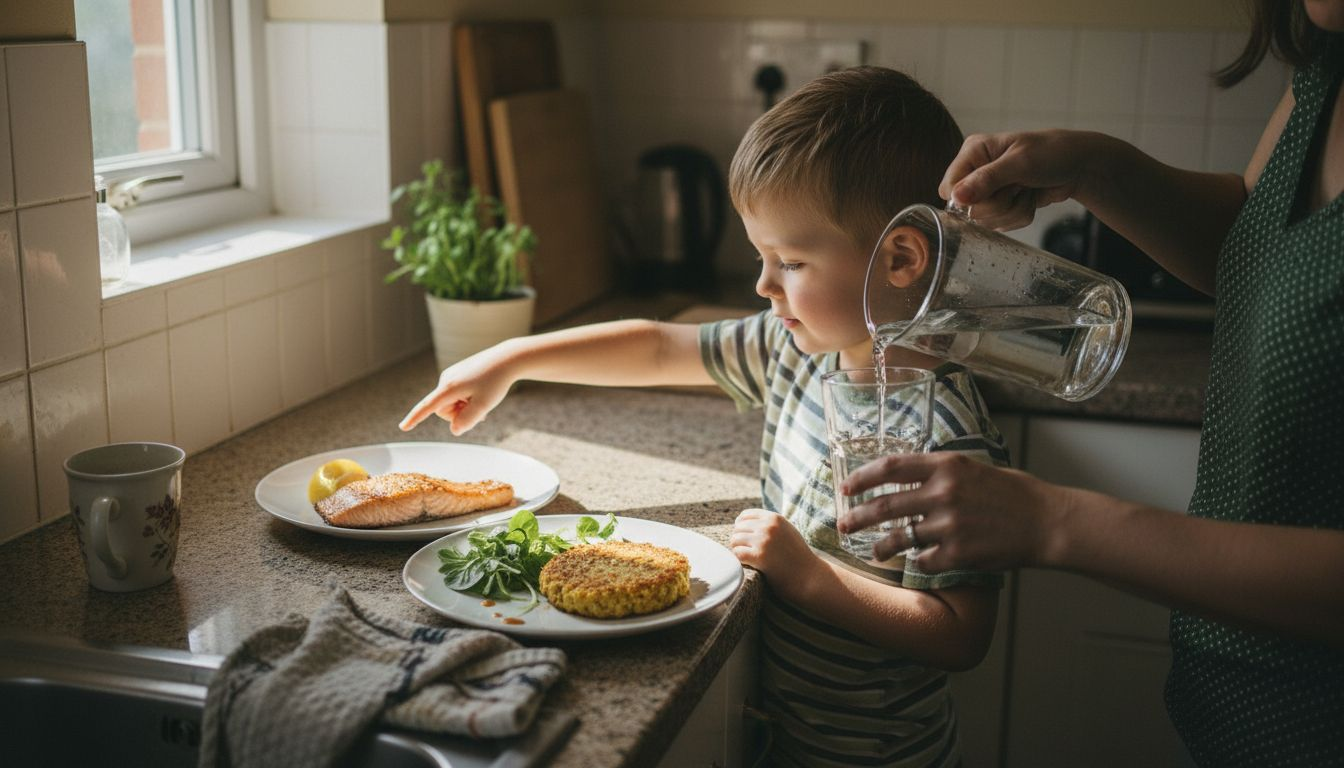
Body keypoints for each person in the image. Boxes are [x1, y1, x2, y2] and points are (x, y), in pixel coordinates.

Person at [399, 66, 1010, 767]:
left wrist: (804, 573)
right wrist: (511, 358)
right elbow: (661, 347)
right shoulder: (795, 348)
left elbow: (960, 634)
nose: (762, 284)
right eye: (761, 257)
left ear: (901, 257)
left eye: (790, 261)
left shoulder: (949, 443)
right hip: (782, 734)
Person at [839, 2, 1344, 765]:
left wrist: (1053, 523)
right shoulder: (1326, 66)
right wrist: (1092, 167)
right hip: (1234, 706)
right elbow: (1267, 247)